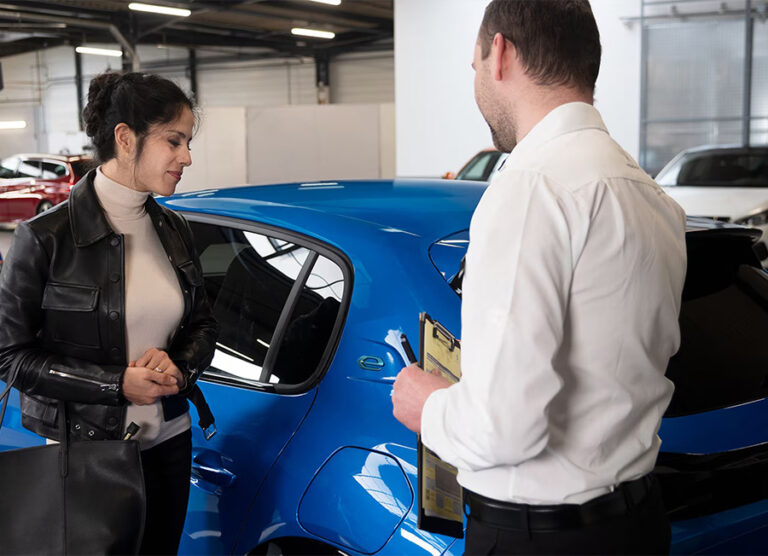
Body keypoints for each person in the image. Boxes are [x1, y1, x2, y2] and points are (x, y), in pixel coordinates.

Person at [392, 1, 687, 554]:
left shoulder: (532, 190)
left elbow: (504, 428)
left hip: (542, 538)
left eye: (475, 66)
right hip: (638, 524)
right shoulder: (650, 195)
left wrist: (426, 405)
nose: (476, 84)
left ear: (500, 52)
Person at [0, 71, 218, 554]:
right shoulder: (44, 238)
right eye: (174, 141)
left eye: (188, 143)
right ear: (125, 138)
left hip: (171, 442)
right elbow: (10, 357)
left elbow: (203, 325)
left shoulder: (174, 228)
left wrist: (180, 367)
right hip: (87, 453)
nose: (186, 157)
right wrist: (115, 384)